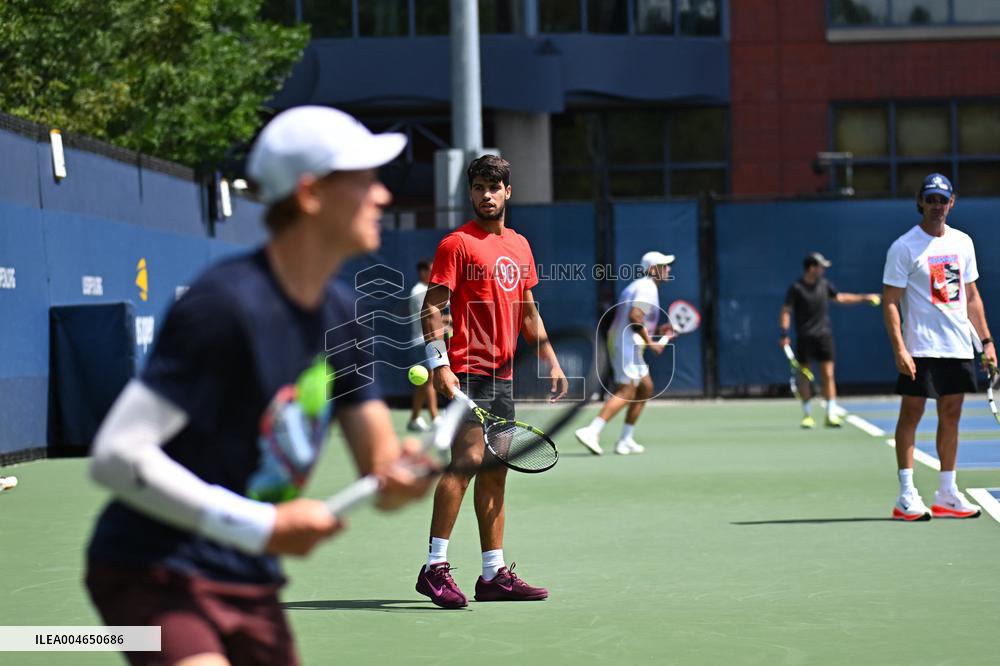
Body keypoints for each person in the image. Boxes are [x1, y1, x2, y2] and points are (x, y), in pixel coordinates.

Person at [85, 106, 435, 666]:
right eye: (364, 182)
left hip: (248, 580)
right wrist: (262, 524)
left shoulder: (344, 314)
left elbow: (381, 466)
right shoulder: (223, 306)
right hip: (151, 570)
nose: (382, 197)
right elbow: (114, 458)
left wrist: (406, 477)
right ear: (311, 195)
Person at [415, 154, 567, 608]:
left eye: (494, 186)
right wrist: (439, 363)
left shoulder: (520, 245)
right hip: (465, 370)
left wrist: (549, 356)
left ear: (508, 192)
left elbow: (527, 307)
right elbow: (432, 307)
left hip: (502, 375)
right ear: (471, 193)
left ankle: (493, 574)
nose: (486, 194)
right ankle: (434, 567)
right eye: (479, 187)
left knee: (496, 471)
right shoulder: (456, 244)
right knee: (465, 462)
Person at [882, 173, 995, 521]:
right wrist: (899, 348)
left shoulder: (963, 243)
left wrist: (987, 342)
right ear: (920, 202)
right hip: (920, 347)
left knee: (952, 416)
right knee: (911, 415)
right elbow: (890, 302)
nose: (936, 206)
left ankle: (947, 493)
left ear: (951, 203)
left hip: (959, 346)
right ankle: (906, 495)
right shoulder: (903, 247)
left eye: (941, 200)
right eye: (930, 199)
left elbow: (972, 296)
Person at [573, 251, 676, 455]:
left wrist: (657, 330)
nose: (669, 269)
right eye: (664, 265)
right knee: (626, 390)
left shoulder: (643, 286)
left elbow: (639, 319)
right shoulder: (647, 287)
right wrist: (651, 343)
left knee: (645, 387)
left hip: (627, 342)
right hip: (625, 344)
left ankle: (625, 440)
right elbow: (635, 316)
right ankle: (592, 431)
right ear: (653, 269)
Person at [779, 252, 880, 428]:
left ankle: (831, 414)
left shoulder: (824, 285)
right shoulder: (796, 288)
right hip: (805, 338)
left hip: (824, 337)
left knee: (828, 375)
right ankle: (807, 415)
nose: (823, 270)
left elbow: (840, 298)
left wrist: (863, 298)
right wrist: (784, 334)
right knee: (804, 376)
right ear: (811, 268)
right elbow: (786, 310)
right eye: (821, 266)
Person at [406, 258, 439, 432]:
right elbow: (429, 317)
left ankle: (414, 419)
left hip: (433, 341)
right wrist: (449, 321)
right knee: (430, 379)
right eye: (431, 270)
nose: (434, 274)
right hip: (422, 341)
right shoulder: (419, 291)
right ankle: (435, 418)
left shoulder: (431, 289)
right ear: (422, 272)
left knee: (423, 382)